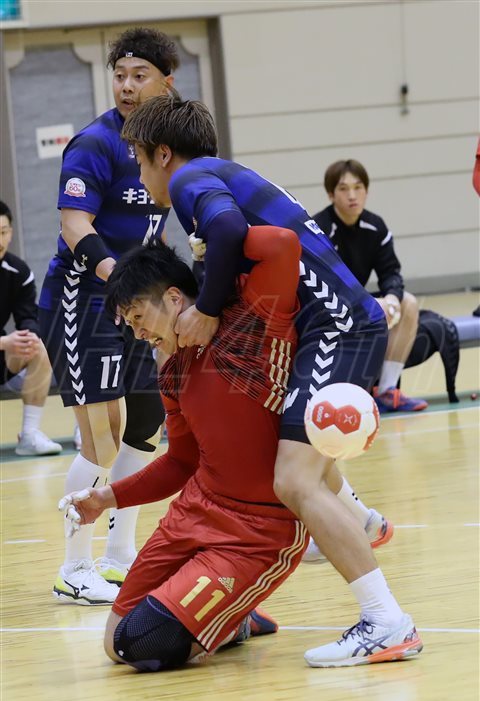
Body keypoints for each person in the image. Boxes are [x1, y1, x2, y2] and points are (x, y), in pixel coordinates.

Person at [119, 95, 423, 668]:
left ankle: (386, 621)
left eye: (138, 161)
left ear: (163, 153)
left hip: (335, 326)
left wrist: (208, 309)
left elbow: (232, 229)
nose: (139, 176)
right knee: (299, 461)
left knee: (293, 479)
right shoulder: (219, 175)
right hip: (330, 327)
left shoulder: (189, 181)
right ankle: (359, 520)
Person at [59, 226, 308, 671]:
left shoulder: (248, 325)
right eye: (130, 324)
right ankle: (232, 618)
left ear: (174, 298)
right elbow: (180, 462)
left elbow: (282, 244)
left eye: (139, 317)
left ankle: (227, 614)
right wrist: (106, 497)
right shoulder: (172, 370)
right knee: (116, 642)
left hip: (257, 532)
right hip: (194, 513)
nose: (138, 334)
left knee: (140, 643)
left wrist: (210, 241)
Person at [38, 28, 179, 605]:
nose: (126, 85)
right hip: (83, 299)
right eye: (119, 75)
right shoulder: (93, 144)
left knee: (145, 424)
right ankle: (74, 568)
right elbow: (76, 225)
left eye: (139, 75)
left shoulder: (168, 143)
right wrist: (118, 279)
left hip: (135, 301)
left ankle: (119, 558)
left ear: (166, 82)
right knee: (101, 436)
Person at [312, 160, 427, 414]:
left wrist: (392, 299)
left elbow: (391, 273)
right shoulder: (319, 229)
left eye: (358, 187)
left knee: (408, 303)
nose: (352, 195)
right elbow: (324, 284)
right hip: (326, 306)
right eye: (343, 189)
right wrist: (367, 303)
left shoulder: (376, 227)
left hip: (360, 303)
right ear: (331, 194)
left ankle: (386, 391)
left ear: (367, 190)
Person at [0, 200, 62, 456]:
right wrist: (4, 342)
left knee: (37, 348)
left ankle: (29, 434)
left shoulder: (18, 271)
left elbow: (28, 317)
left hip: (3, 351)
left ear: (11, 233)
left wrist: (27, 337)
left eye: (3, 232)